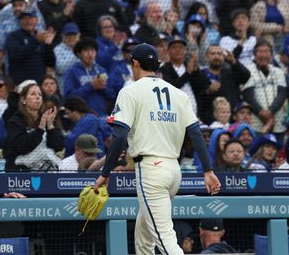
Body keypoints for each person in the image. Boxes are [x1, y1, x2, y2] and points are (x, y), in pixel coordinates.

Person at [94, 43, 220, 255]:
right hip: (172, 170)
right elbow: (196, 134)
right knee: (144, 238)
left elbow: (119, 136)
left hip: (151, 170)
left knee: (165, 238)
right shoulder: (178, 94)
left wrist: (104, 174)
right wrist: (208, 170)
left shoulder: (130, 91)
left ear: (135, 63)